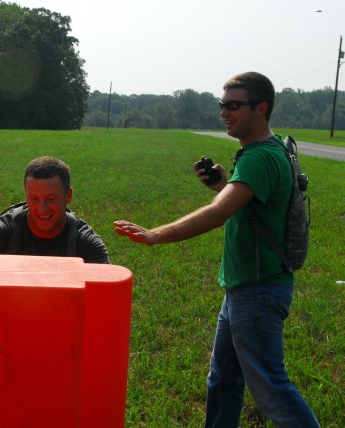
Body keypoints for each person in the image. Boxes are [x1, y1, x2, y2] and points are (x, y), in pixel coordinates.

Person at [114, 72, 319, 427]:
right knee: (222, 380)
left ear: (262, 108)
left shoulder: (260, 158)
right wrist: (225, 185)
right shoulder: (265, 152)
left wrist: (155, 235)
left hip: (258, 290)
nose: (224, 112)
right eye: (222, 104)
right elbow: (249, 207)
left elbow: (219, 212)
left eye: (234, 105)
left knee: (272, 388)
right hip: (243, 288)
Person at [0, 156, 109, 264]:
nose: (42, 209)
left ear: (68, 195)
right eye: (34, 198)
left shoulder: (85, 242)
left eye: (51, 199)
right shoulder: (0, 231)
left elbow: (106, 291)